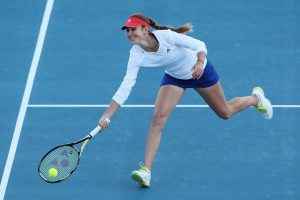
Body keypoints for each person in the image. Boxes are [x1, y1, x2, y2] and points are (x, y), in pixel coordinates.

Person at [98, 13, 273, 187]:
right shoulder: (136, 54)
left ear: (145, 29)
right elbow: (126, 86)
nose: (129, 34)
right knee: (158, 119)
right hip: (174, 78)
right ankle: (146, 172)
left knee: (225, 112)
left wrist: (199, 62)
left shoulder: (166, 36)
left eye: (133, 29)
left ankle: (255, 99)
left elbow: (200, 45)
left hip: (200, 72)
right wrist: (107, 116)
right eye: (127, 31)